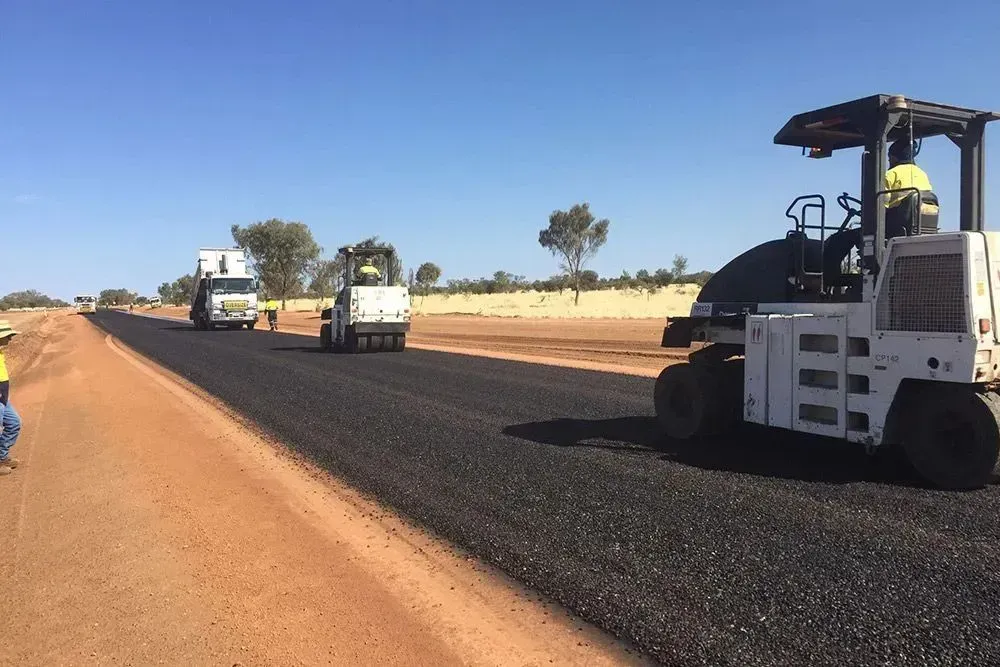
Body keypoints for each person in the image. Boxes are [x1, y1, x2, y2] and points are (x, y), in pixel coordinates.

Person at [822, 139, 936, 285]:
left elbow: (881, 206)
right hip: (916, 226)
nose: (889, 161)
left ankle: (830, 281)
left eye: (889, 158)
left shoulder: (891, 174)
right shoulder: (922, 174)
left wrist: (867, 213)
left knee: (837, 240)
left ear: (894, 157)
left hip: (891, 228)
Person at [0, 320, 22, 476]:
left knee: (14, 423)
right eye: (8, 336)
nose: (10, 339)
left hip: (3, 399)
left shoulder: (0, 353)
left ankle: (2, 456)